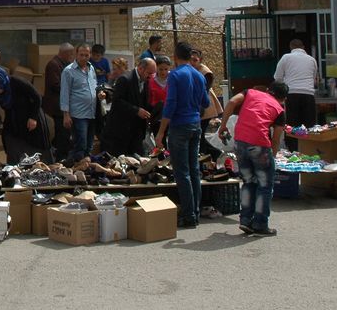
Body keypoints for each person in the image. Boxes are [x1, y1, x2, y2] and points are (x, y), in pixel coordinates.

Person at [218, 82, 288, 238]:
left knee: (249, 181)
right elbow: (276, 139)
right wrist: (272, 157)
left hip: (240, 141)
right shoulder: (279, 109)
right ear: (283, 98)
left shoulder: (250, 93)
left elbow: (231, 102)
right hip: (260, 145)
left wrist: (223, 126)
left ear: (268, 90)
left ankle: (245, 220)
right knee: (264, 185)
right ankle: (260, 224)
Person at [155, 41, 210, 228]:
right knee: (194, 170)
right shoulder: (198, 75)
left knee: (182, 172)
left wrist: (161, 132)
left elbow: (170, 105)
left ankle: (188, 215)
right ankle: (194, 211)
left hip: (180, 126)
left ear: (175, 56)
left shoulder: (175, 75)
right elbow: (206, 102)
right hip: (196, 124)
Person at [0, 66, 50, 163]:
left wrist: (33, 118)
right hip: (13, 122)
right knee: (12, 148)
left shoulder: (17, 82)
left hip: (29, 118)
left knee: (32, 152)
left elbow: (36, 97)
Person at [101, 57, 156, 156]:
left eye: (152, 74)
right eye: (149, 73)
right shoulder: (125, 79)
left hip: (136, 131)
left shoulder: (146, 81)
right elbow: (117, 101)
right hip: (121, 131)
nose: (151, 76)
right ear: (140, 68)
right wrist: (136, 110)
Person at [273, 39, 319, 151]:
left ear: (291, 47)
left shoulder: (286, 58)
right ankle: (309, 148)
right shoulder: (312, 60)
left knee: (292, 124)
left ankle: (293, 149)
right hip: (308, 95)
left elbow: (277, 78)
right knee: (308, 124)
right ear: (303, 47)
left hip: (292, 94)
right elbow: (314, 79)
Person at [60, 43, 98, 162]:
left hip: (92, 112)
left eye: (86, 55)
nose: (84, 58)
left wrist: (100, 94)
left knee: (89, 146)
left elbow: (94, 86)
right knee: (80, 144)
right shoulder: (68, 71)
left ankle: (86, 170)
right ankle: (73, 167)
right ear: (76, 55)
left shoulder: (91, 68)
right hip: (78, 114)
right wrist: (66, 114)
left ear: (90, 55)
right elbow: (64, 93)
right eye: (81, 55)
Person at [42, 43, 74, 161]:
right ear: (65, 53)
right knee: (62, 135)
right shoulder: (54, 65)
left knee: (65, 135)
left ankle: (63, 155)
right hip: (56, 108)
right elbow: (55, 85)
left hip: (62, 106)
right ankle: (61, 158)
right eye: (71, 54)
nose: (72, 57)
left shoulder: (65, 65)